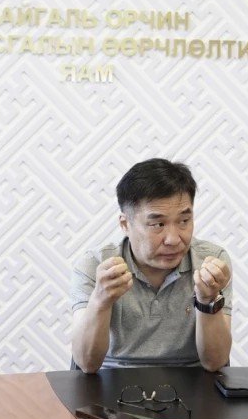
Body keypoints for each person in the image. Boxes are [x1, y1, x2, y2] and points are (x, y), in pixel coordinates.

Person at [70, 158, 233, 373]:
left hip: (192, 380)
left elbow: (215, 362)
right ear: (125, 224)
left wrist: (207, 300)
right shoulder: (96, 265)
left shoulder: (210, 262)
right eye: (158, 224)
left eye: (184, 221)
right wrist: (101, 300)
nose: (173, 239)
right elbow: (86, 363)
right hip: (110, 378)